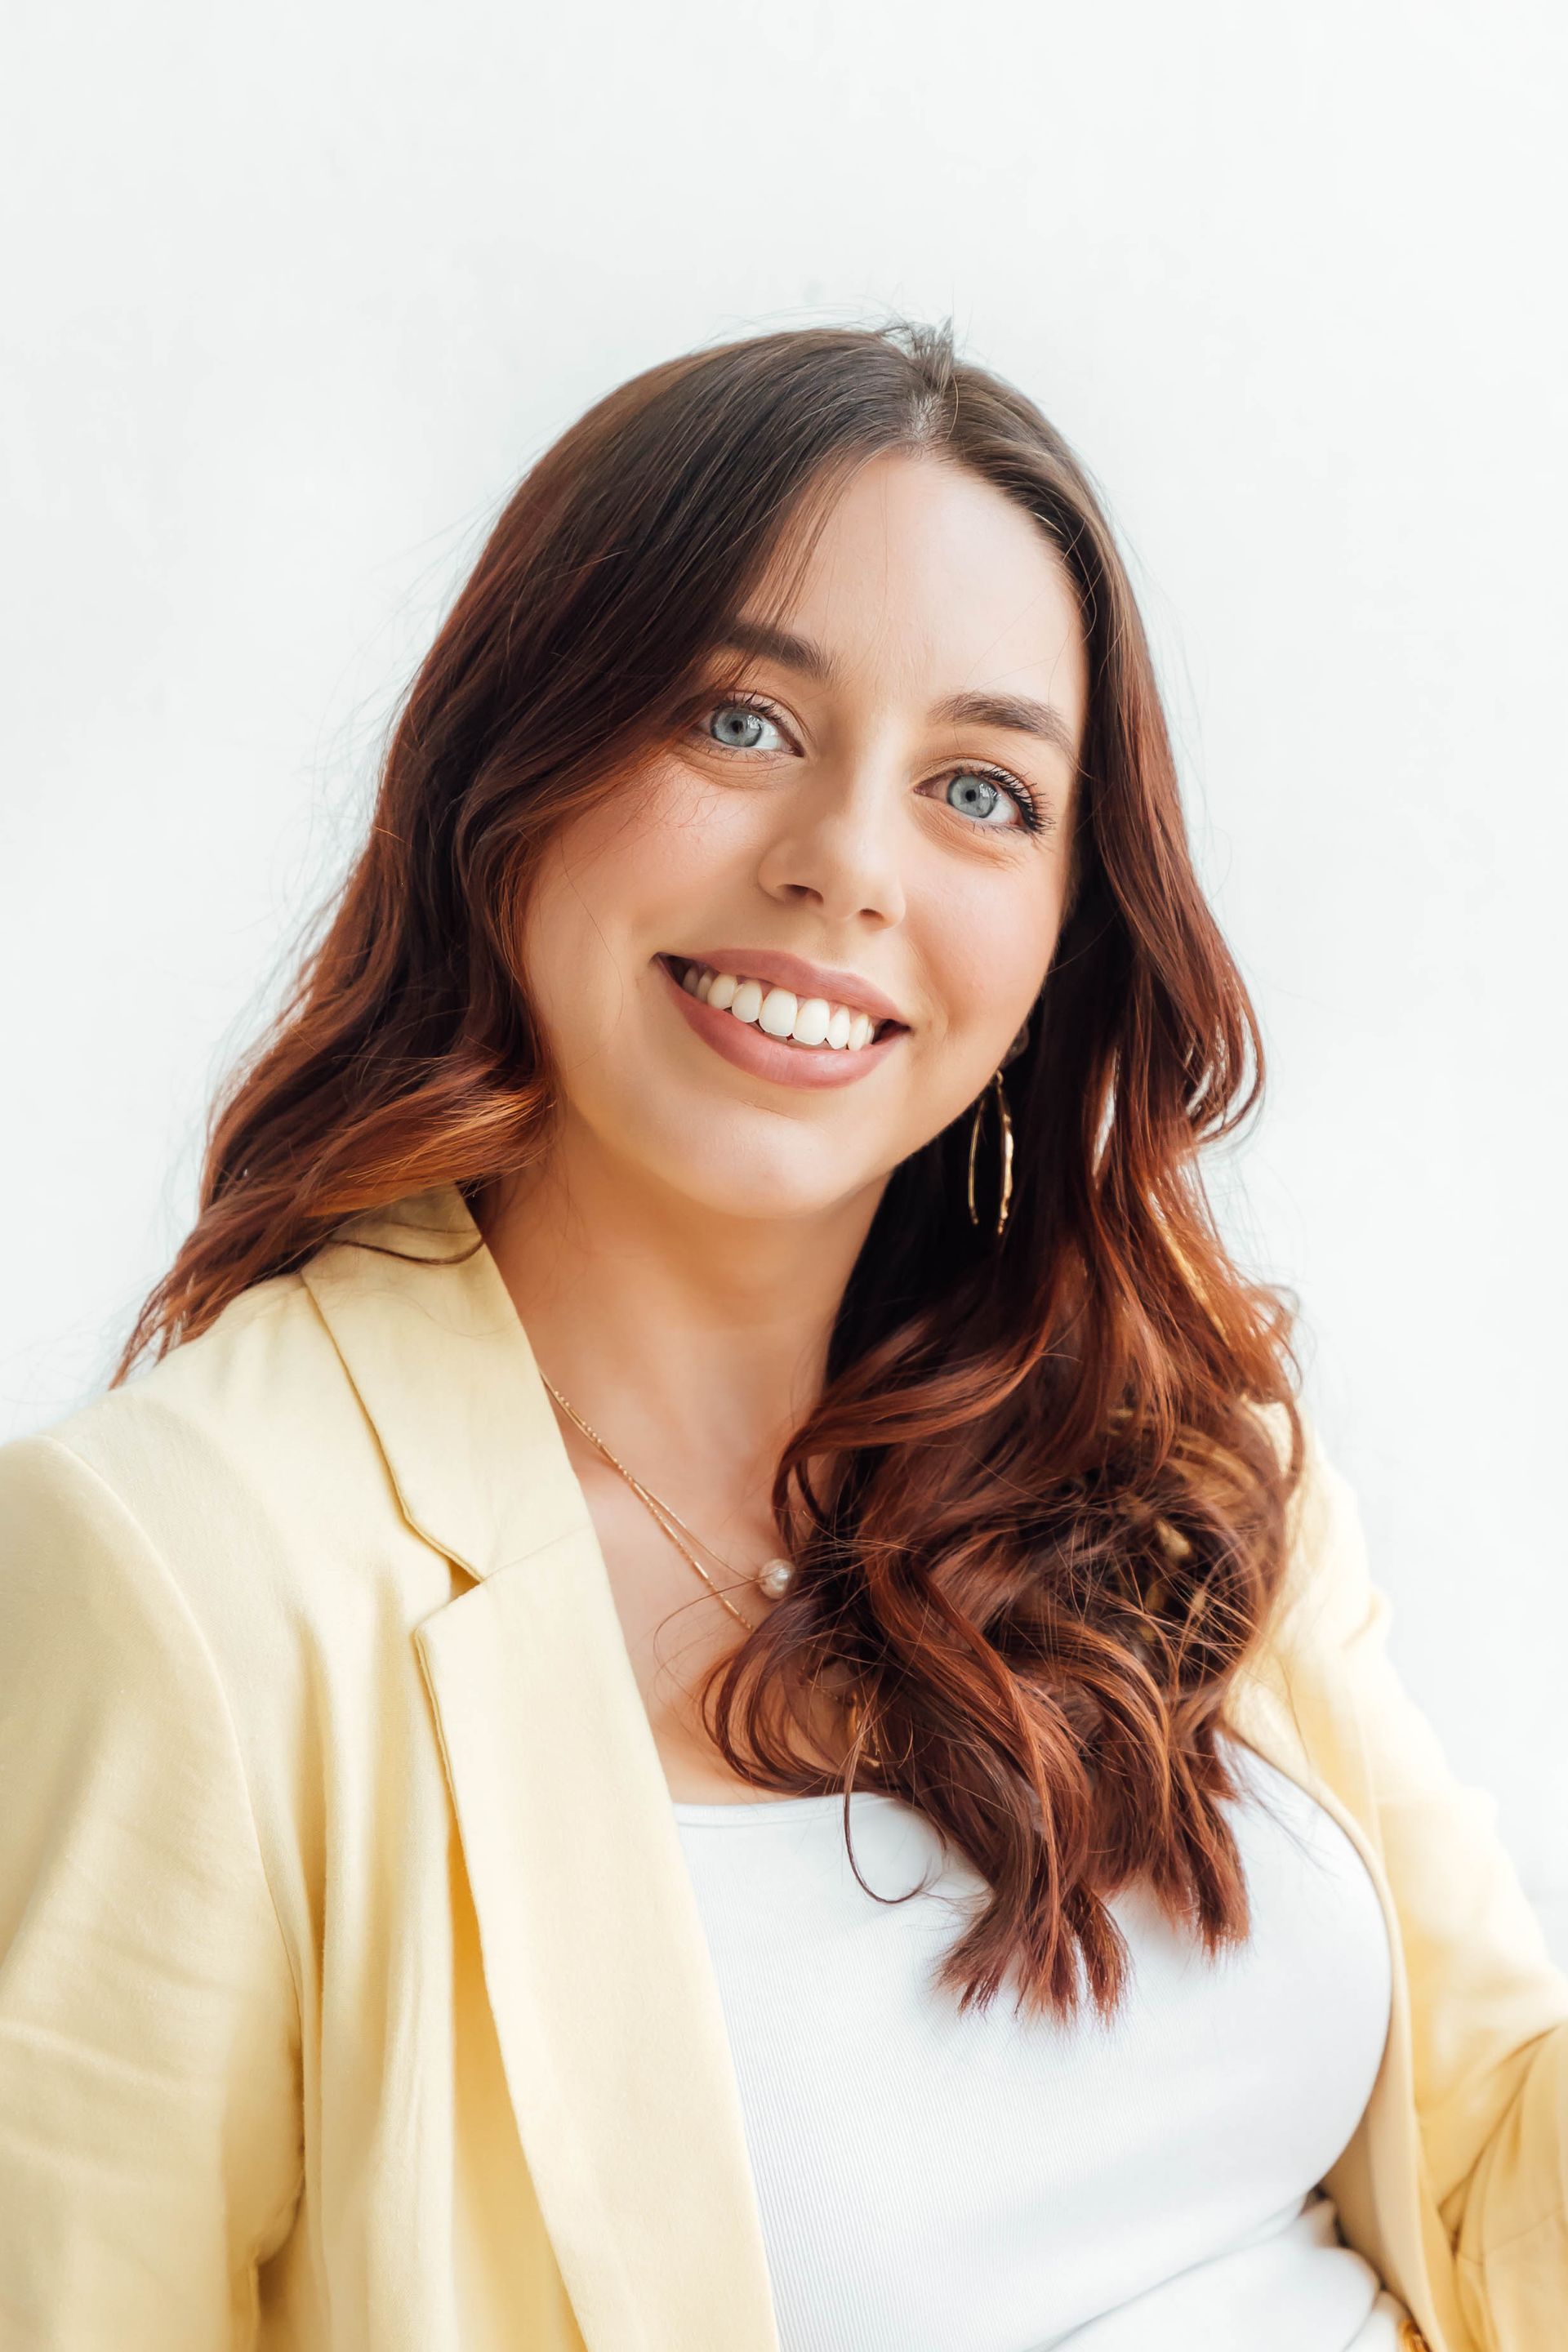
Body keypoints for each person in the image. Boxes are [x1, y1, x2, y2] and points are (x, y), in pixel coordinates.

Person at [0, 318, 1561, 2352]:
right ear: (514, 767)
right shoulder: (185, 1567)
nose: (846, 864)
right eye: (742, 722)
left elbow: (1483, 2145)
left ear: (1070, 925)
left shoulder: (1178, 1441)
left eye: (984, 789)